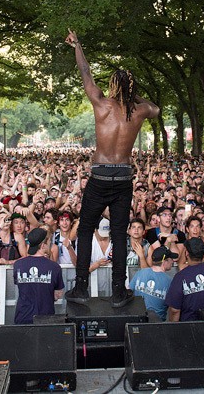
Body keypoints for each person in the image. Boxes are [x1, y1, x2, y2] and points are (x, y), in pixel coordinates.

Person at [63, 29, 160, 308]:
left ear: (112, 85)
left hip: (101, 175)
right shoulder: (139, 111)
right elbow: (155, 109)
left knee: (84, 230)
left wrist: (77, 45)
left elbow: (85, 74)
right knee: (119, 233)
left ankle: (81, 288)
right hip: (124, 177)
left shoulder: (101, 105)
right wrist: (134, 95)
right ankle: (119, 292)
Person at [13, 228, 64, 324]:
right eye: (49, 241)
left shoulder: (18, 265)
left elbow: (19, 285)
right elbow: (57, 295)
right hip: (45, 319)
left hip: (22, 316)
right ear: (43, 245)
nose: (50, 244)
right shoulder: (54, 267)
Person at [129, 245, 176, 321]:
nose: (172, 261)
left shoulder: (141, 272)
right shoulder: (170, 282)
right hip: (157, 325)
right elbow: (174, 309)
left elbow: (128, 291)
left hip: (137, 321)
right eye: (171, 259)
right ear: (164, 261)